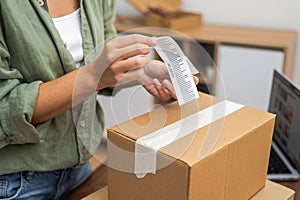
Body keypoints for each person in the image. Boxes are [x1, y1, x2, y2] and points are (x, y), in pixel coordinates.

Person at [0, 0, 198, 199]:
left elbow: (100, 66)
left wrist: (142, 71)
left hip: (79, 169)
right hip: (16, 183)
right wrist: (94, 76)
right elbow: (4, 107)